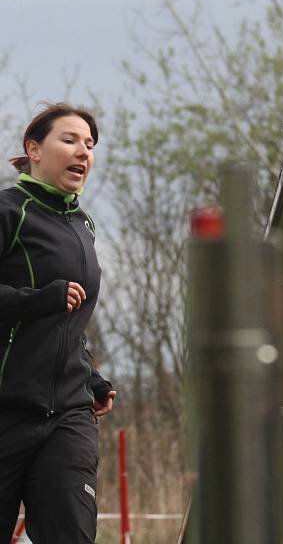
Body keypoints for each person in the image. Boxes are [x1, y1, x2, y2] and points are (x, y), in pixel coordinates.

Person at [0, 103, 116, 543]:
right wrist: (38, 300)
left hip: (66, 413)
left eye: (89, 144)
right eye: (69, 140)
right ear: (33, 149)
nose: (83, 152)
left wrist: (91, 378)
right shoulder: (10, 210)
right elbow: (48, 308)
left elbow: (68, 323)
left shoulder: (81, 224)